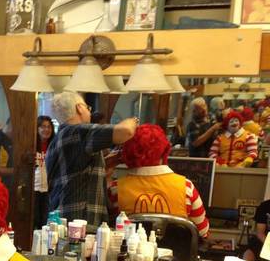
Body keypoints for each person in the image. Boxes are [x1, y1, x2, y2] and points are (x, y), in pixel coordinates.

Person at [46, 91, 138, 227]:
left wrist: (105, 165)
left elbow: (76, 172)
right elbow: (126, 131)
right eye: (88, 108)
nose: (90, 113)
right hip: (79, 223)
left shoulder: (58, 139)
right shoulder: (79, 132)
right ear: (80, 108)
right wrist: (133, 121)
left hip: (63, 218)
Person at [108, 124, 209, 238]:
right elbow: (203, 232)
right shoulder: (186, 187)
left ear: (127, 152)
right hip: (177, 254)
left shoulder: (116, 189)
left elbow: (109, 230)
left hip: (130, 254)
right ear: (165, 150)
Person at [34, 115, 54, 228]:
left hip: (49, 189)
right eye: (43, 127)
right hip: (34, 189)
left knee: (45, 221)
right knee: (34, 220)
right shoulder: (31, 145)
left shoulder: (54, 145)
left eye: (49, 127)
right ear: (37, 128)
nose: (46, 129)